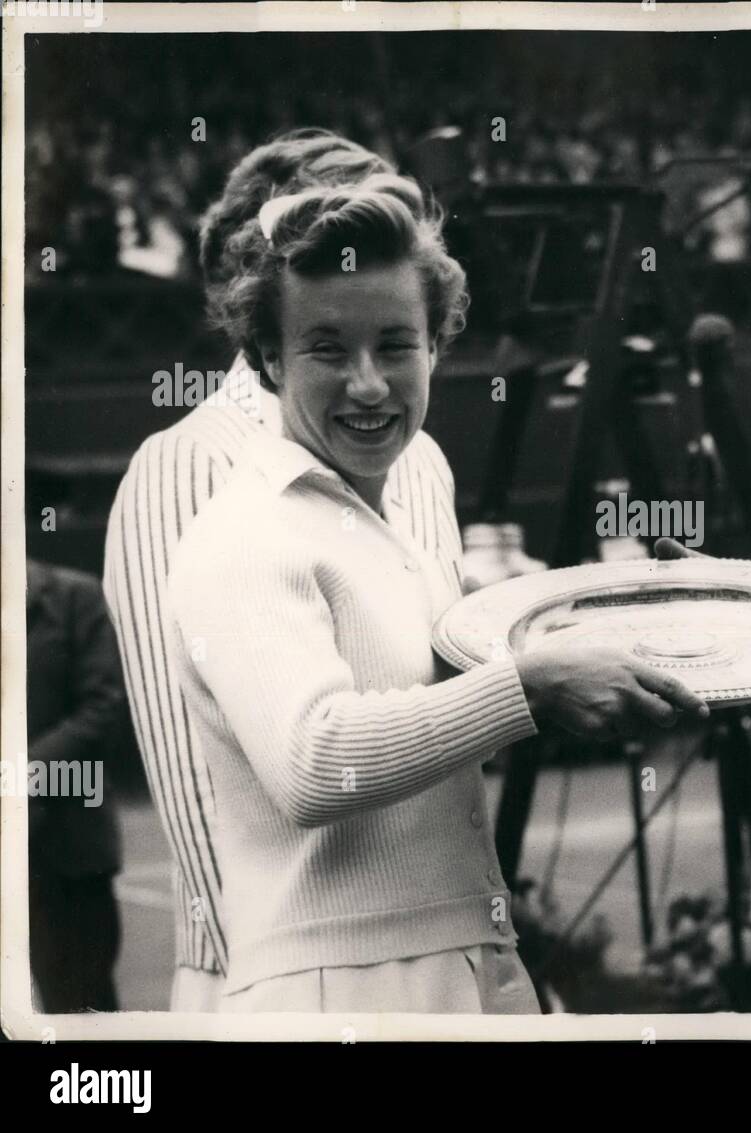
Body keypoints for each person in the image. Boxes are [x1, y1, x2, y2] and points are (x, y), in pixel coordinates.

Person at [163, 170, 707, 1013]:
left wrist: (634, 611)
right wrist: (528, 686)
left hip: (463, 964)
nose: (371, 384)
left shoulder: (394, 532)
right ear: (268, 358)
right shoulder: (244, 532)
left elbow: (447, 709)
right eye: (327, 349)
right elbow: (316, 762)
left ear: (436, 347)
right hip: (335, 995)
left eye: (396, 344)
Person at [103, 131, 458, 1011]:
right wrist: (261, 983)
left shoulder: (421, 455)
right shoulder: (181, 465)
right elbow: (195, 772)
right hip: (265, 972)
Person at [26, 558, 129, 1012]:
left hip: (67, 850)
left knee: (80, 1009)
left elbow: (104, 707)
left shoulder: (74, 597)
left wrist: (20, 775)